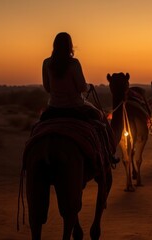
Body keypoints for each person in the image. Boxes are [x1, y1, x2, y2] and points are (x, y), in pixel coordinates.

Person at [39, 32, 119, 164]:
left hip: (53, 107)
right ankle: (109, 154)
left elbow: (47, 88)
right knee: (101, 118)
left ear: (54, 45)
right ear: (70, 46)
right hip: (75, 106)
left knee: (38, 125)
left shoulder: (47, 63)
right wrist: (89, 86)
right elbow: (82, 87)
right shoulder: (74, 63)